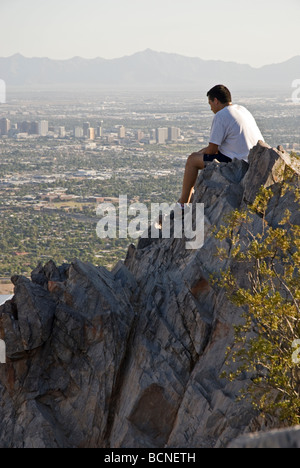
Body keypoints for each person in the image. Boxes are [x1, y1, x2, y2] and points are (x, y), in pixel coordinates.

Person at [179, 84, 264, 205]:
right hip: (254, 159)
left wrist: (197, 154)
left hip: (238, 163)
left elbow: (212, 150)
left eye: (210, 104)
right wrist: (201, 152)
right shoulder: (242, 110)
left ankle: (183, 204)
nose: (211, 109)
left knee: (192, 160)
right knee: (197, 155)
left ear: (216, 101)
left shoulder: (221, 115)